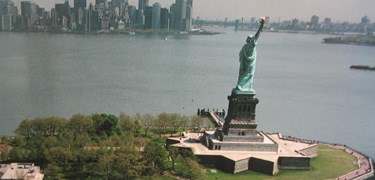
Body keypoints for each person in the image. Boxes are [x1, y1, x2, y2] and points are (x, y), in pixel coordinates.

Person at [233, 18, 265, 94]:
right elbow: (257, 35)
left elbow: (257, 35)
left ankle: (242, 86)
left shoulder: (246, 46)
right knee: (248, 75)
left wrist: (261, 25)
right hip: (249, 65)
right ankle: (244, 87)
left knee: (243, 75)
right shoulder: (249, 47)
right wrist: (261, 25)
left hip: (245, 64)